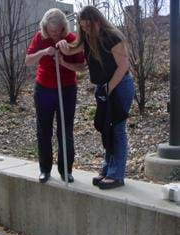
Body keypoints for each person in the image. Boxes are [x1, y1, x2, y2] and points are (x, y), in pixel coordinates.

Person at [57, 6, 135, 189]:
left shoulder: (113, 37)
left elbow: (123, 67)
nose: (85, 30)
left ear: (97, 22)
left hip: (120, 86)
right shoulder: (88, 39)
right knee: (106, 129)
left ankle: (117, 175)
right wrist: (62, 47)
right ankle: (108, 169)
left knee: (117, 129)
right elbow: (71, 49)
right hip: (105, 88)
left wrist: (108, 88)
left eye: (88, 26)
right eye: (82, 27)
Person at [25, 8, 85, 183]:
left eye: (58, 31)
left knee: (65, 131)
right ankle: (45, 169)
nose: (55, 34)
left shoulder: (71, 39)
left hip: (66, 90)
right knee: (44, 130)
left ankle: (66, 170)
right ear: (45, 28)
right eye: (52, 31)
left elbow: (81, 67)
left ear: (63, 27)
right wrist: (44, 52)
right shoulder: (40, 38)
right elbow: (28, 60)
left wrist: (64, 61)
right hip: (44, 89)